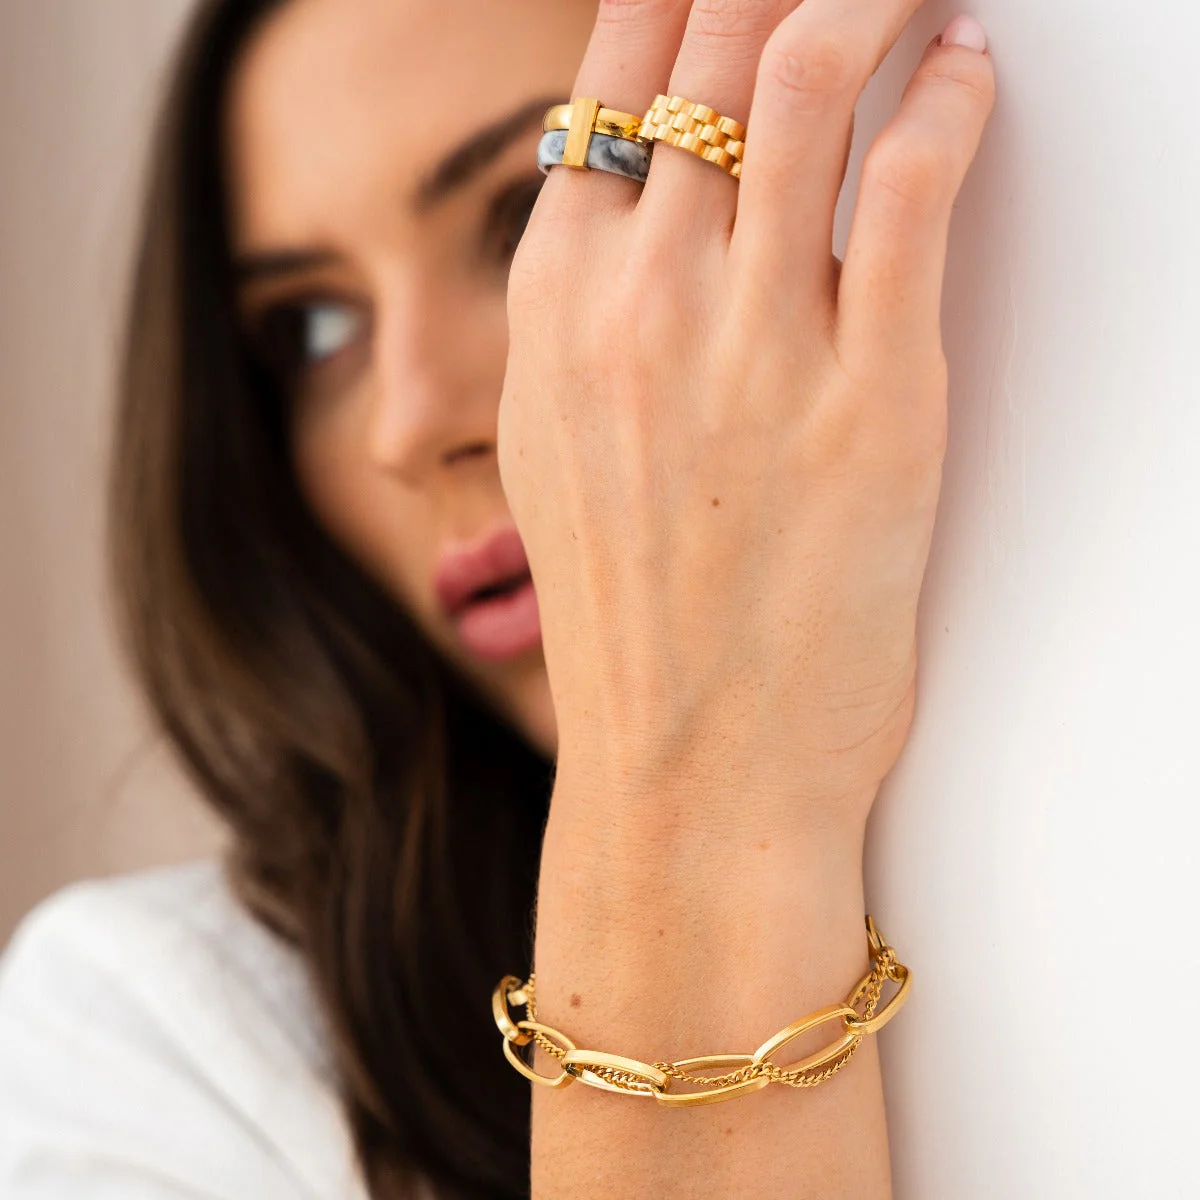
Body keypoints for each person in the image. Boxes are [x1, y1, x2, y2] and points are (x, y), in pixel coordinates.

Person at [0, 0, 995, 1196]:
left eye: (532, 209)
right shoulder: (157, 1046)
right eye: (311, 327)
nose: (407, 423)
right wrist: (687, 782)